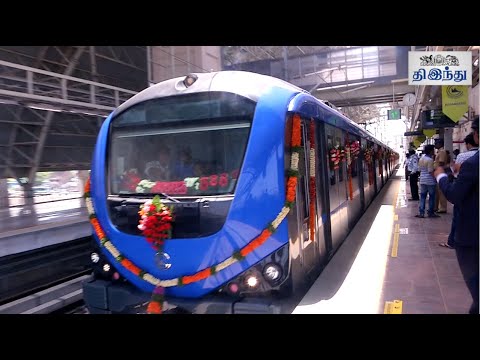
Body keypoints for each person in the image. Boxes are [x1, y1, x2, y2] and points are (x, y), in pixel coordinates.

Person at [434, 116, 479, 314]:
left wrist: (442, 176)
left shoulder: (472, 164)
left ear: (477, 136)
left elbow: (454, 195)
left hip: (473, 239)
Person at [439, 133, 478, 249]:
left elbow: (454, 171)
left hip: (463, 189)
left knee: (458, 218)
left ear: (468, 144)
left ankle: (452, 242)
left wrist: (442, 177)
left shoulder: (463, 157)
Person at [416, 145, 439, 218]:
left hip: (422, 180)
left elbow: (419, 170)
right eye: (433, 150)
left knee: (423, 197)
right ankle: (430, 212)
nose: (434, 151)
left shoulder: (421, 159)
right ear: (431, 151)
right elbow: (430, 171)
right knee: (432, 197)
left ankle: (421, 213)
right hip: (430, 181)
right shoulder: (430, 160)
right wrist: (436, 178)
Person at [434, 139, 448, 213]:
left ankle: (443, 208)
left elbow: (441, 162)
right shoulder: (439, 152)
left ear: (440, 144)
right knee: (437, 191)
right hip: (438, 172)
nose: (435, 145)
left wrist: (437, 169)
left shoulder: (442, 152)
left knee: (441, 191)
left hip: (440, 172)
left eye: (436, 143)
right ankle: (437, 207)